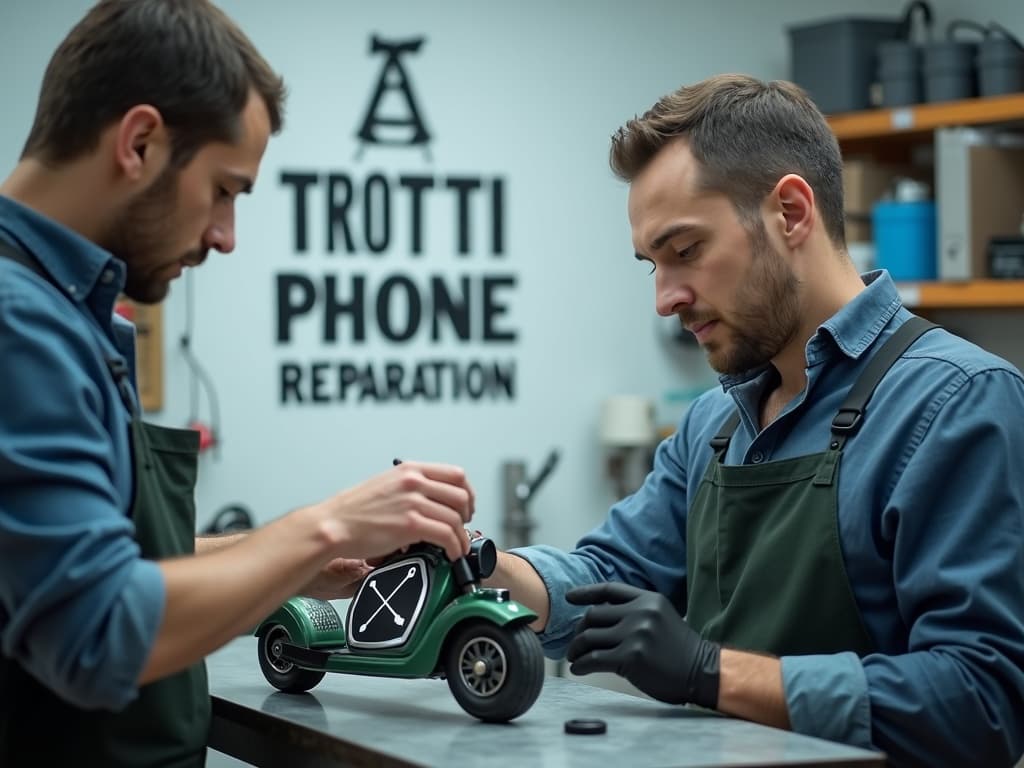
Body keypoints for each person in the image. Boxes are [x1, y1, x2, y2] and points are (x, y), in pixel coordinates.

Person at [487, 74, 1024, 768]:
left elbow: (980, 701)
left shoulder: (958, 403)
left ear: (792, 213)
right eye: (651, 264)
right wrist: (473, 568)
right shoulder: (715, 423)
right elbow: (605, 577)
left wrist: (711, 671)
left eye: (684, 252)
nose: (665, 299)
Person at [0, 2, 474, 766]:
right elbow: (97, 630)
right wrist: (324, 527)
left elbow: (80, 555)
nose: (226, 236)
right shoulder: (18, 322)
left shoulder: (62, 311)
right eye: (224, 190)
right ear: (140, 142)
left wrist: (285, 560)